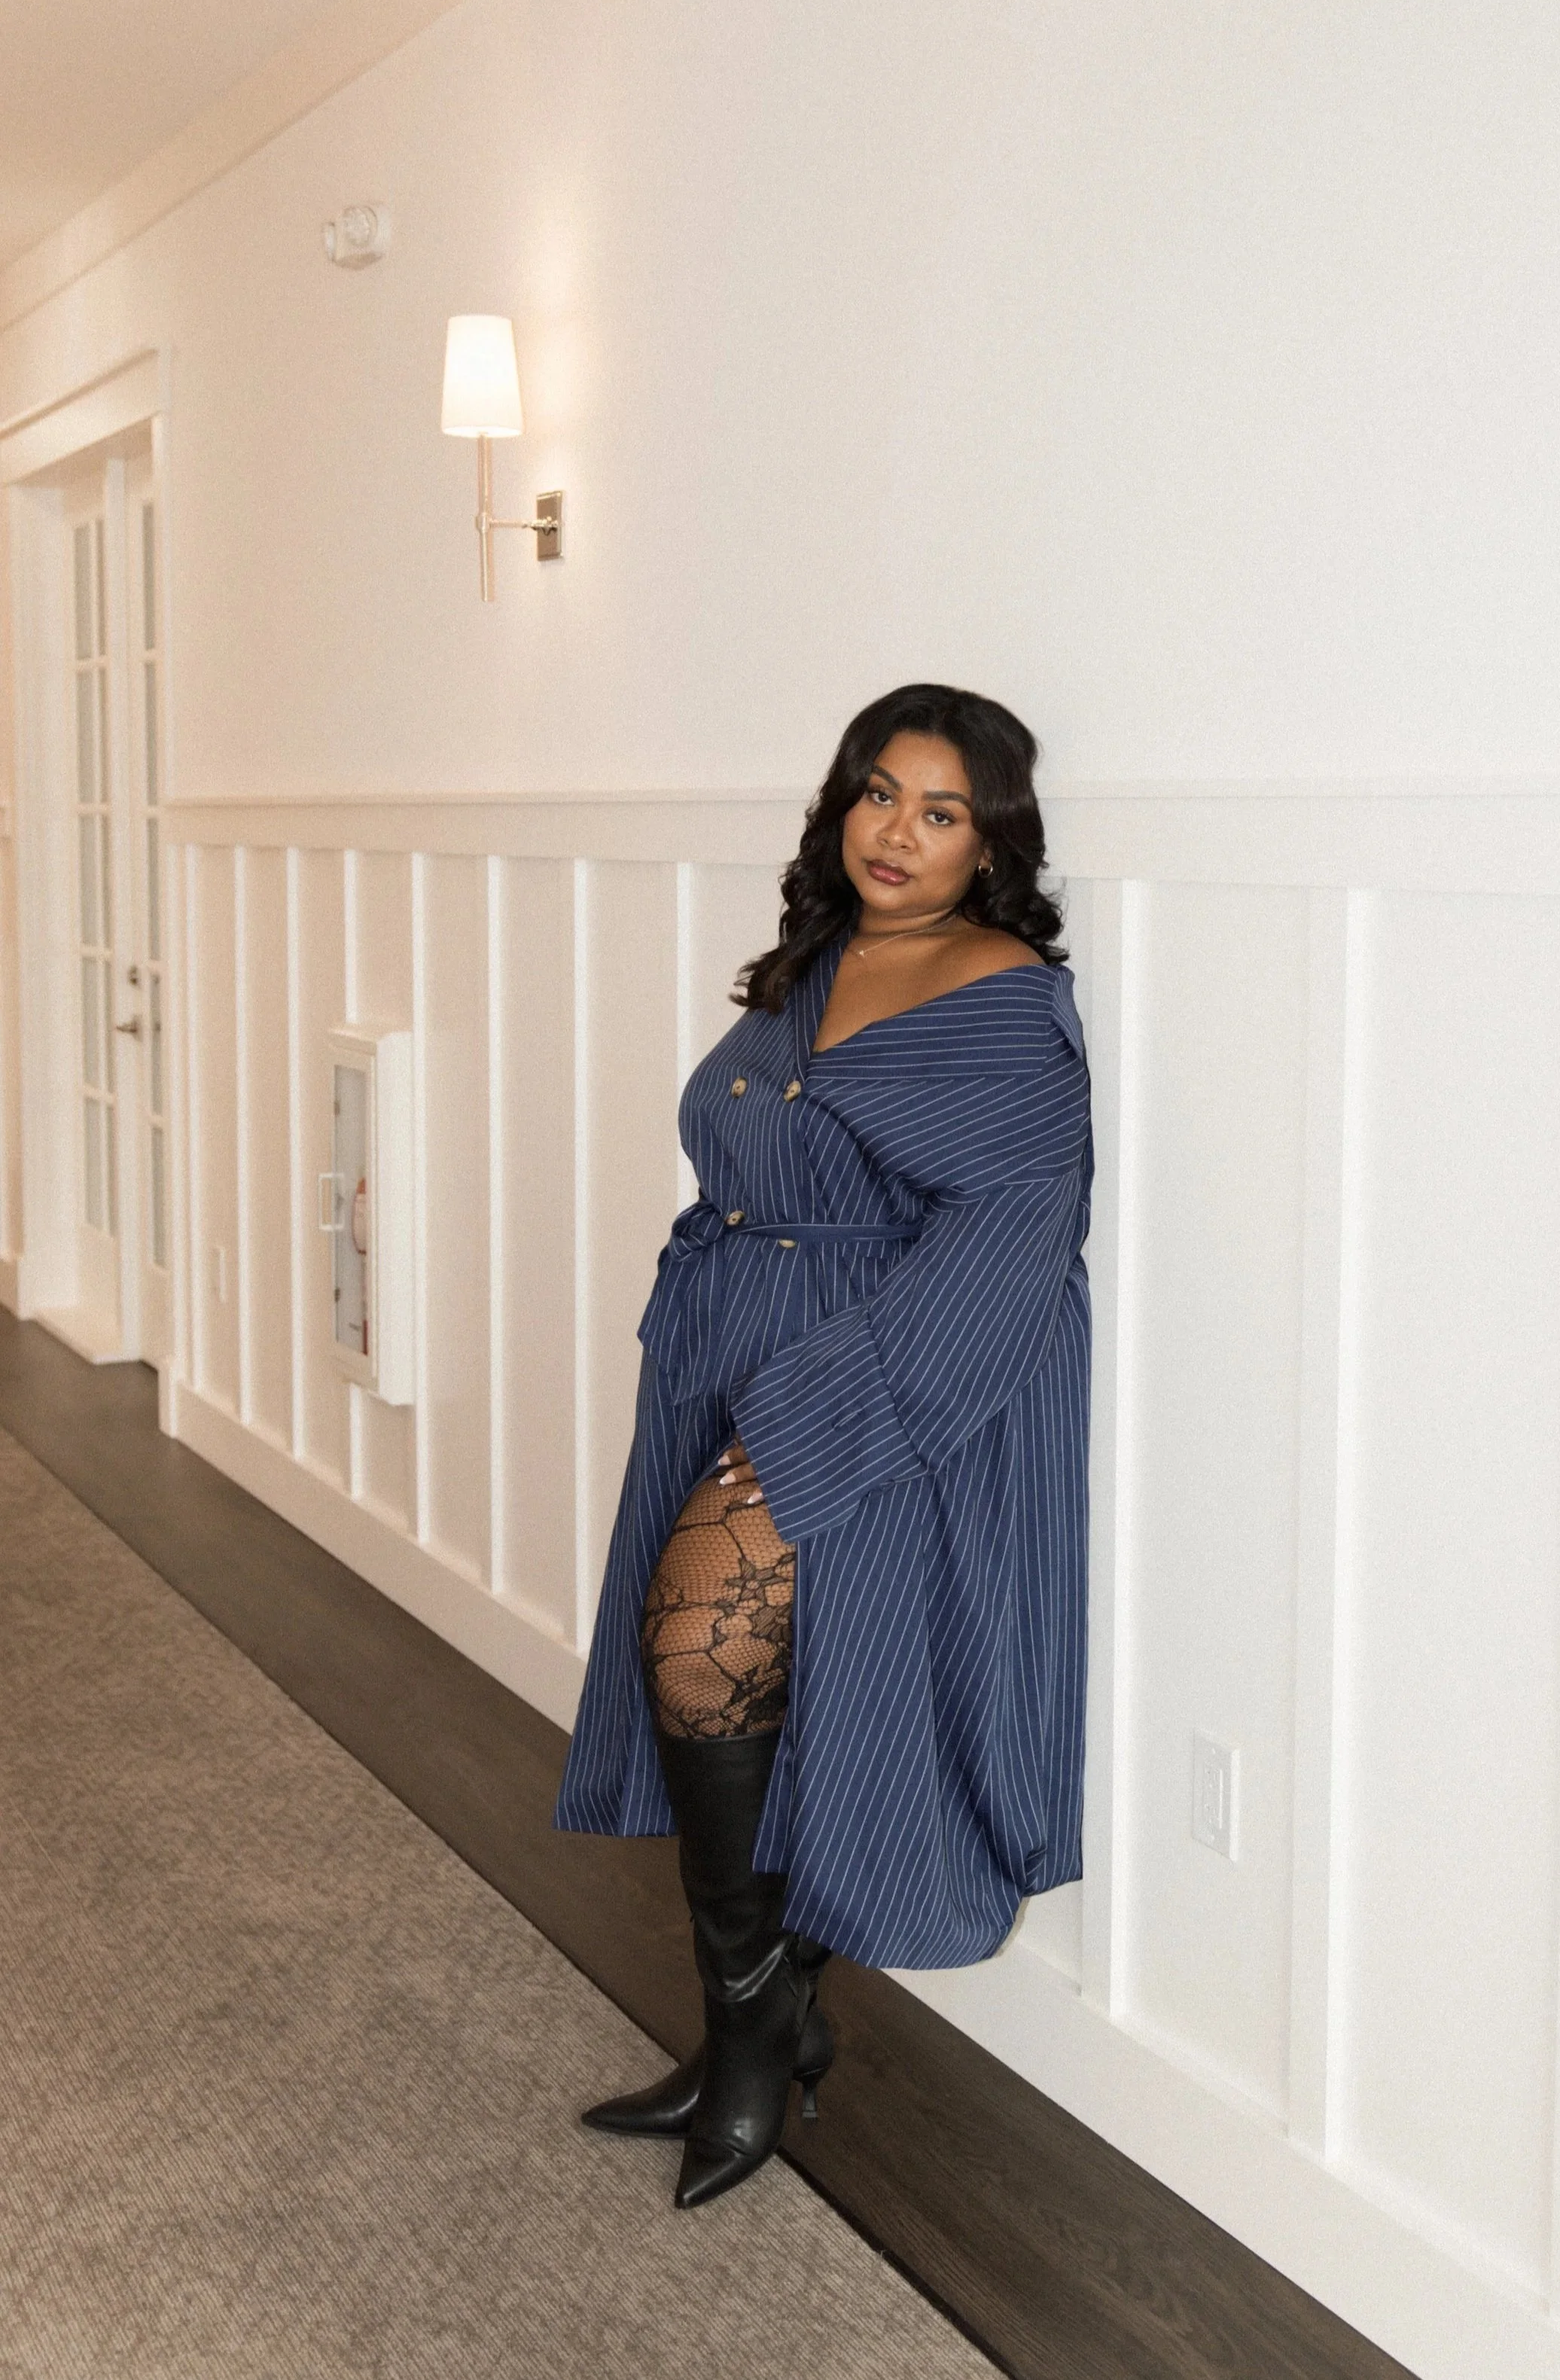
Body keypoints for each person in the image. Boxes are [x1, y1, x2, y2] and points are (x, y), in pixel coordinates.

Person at [555, 681, 1093, 2208]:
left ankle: (756, 2039)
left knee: (696, 1646)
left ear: (989, 846)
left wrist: (824, 1410)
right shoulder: (812, 961)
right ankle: (760, 2029)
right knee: (731, 1681)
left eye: (939, 811)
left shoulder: (999, 993)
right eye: (876, 793)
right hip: (733, 1351)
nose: (896, 832)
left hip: (876, 1380)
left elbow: (1011, 1243)